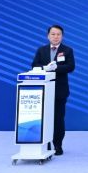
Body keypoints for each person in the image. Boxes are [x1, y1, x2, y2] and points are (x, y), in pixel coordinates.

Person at [31, 25, 75, 156]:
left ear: (62, 36)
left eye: (58, 34)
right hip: (43, 90)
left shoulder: (67, 50)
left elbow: (71, 67)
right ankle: (45, 143)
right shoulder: (41, 50)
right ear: (48, 36)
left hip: (60, 90)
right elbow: (34, 65)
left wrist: (56, 68)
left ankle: (58, 145)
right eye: (53, 34)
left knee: (58, 119)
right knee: (44, 118)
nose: (56, 37)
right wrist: (45, 68)